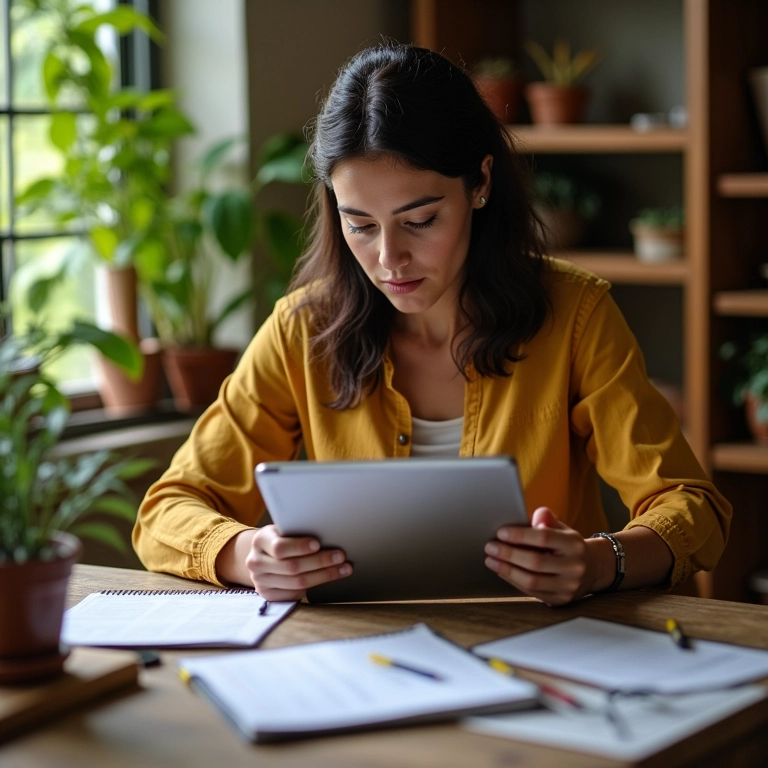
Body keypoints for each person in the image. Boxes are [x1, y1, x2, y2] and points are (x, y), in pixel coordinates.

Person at [134, 42, 731, 606]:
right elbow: (167, 509)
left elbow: (691, 508)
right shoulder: (301, 330)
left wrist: (601, 562)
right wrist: (245, 553)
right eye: (360, 225)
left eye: (419, 220)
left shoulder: (575, 316)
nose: (389, 259)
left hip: (544, 646)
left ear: (481, 184)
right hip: (357, 657)